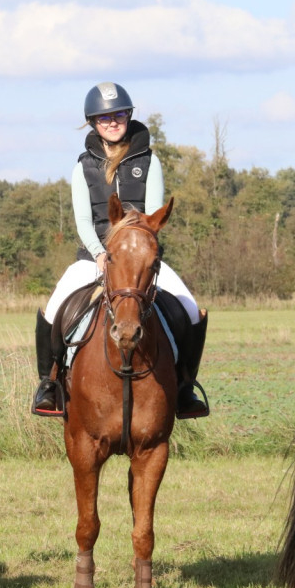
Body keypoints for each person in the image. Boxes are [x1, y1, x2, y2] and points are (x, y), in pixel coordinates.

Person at [31, 82, 208, 419]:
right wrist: (99, 253)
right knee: (53, 309)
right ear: (93, 123)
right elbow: (84, 219)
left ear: (128, 116)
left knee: (190, 308)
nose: (112, 122)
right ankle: (49, 384)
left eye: (119, 115)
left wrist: (138, 250)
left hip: (139, 257)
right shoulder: (82, 167)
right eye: (104, 117)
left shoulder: (149, 161)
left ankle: (186, 387)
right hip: (94, 256)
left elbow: (153, 213)